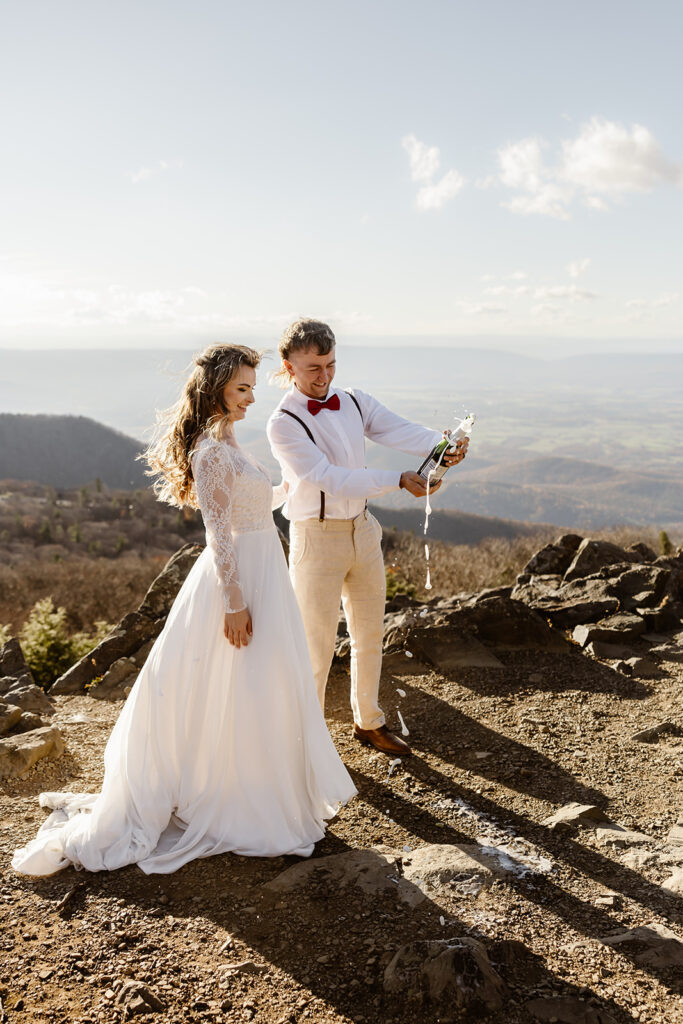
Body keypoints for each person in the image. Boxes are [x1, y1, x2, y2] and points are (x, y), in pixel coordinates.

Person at [12, 344, 356, 877]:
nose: (250, 397)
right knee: (235, 682)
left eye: (251, 388)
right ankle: (234, 800)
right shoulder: (209, 451)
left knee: (257, 686)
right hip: (239, 581)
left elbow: (249, 505)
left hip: (264, 568)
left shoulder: (226, 437)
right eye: (242, 388)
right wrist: (235, 603)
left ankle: (250, 787)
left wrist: (287, 488)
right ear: (217, 389)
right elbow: (218, 532)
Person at [267, 319, 468, 758]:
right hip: (315, 539)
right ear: (289, 367)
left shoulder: (354, 399)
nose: (324, 376)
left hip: (363, 529)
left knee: (369, 634)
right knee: (316, 646)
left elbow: (398, 429)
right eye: (313, 368)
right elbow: (328, 478)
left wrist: (442, 444)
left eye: (331, 364)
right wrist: (397, 479)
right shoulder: (282, 423)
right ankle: (308, 742)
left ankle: (369, 722)